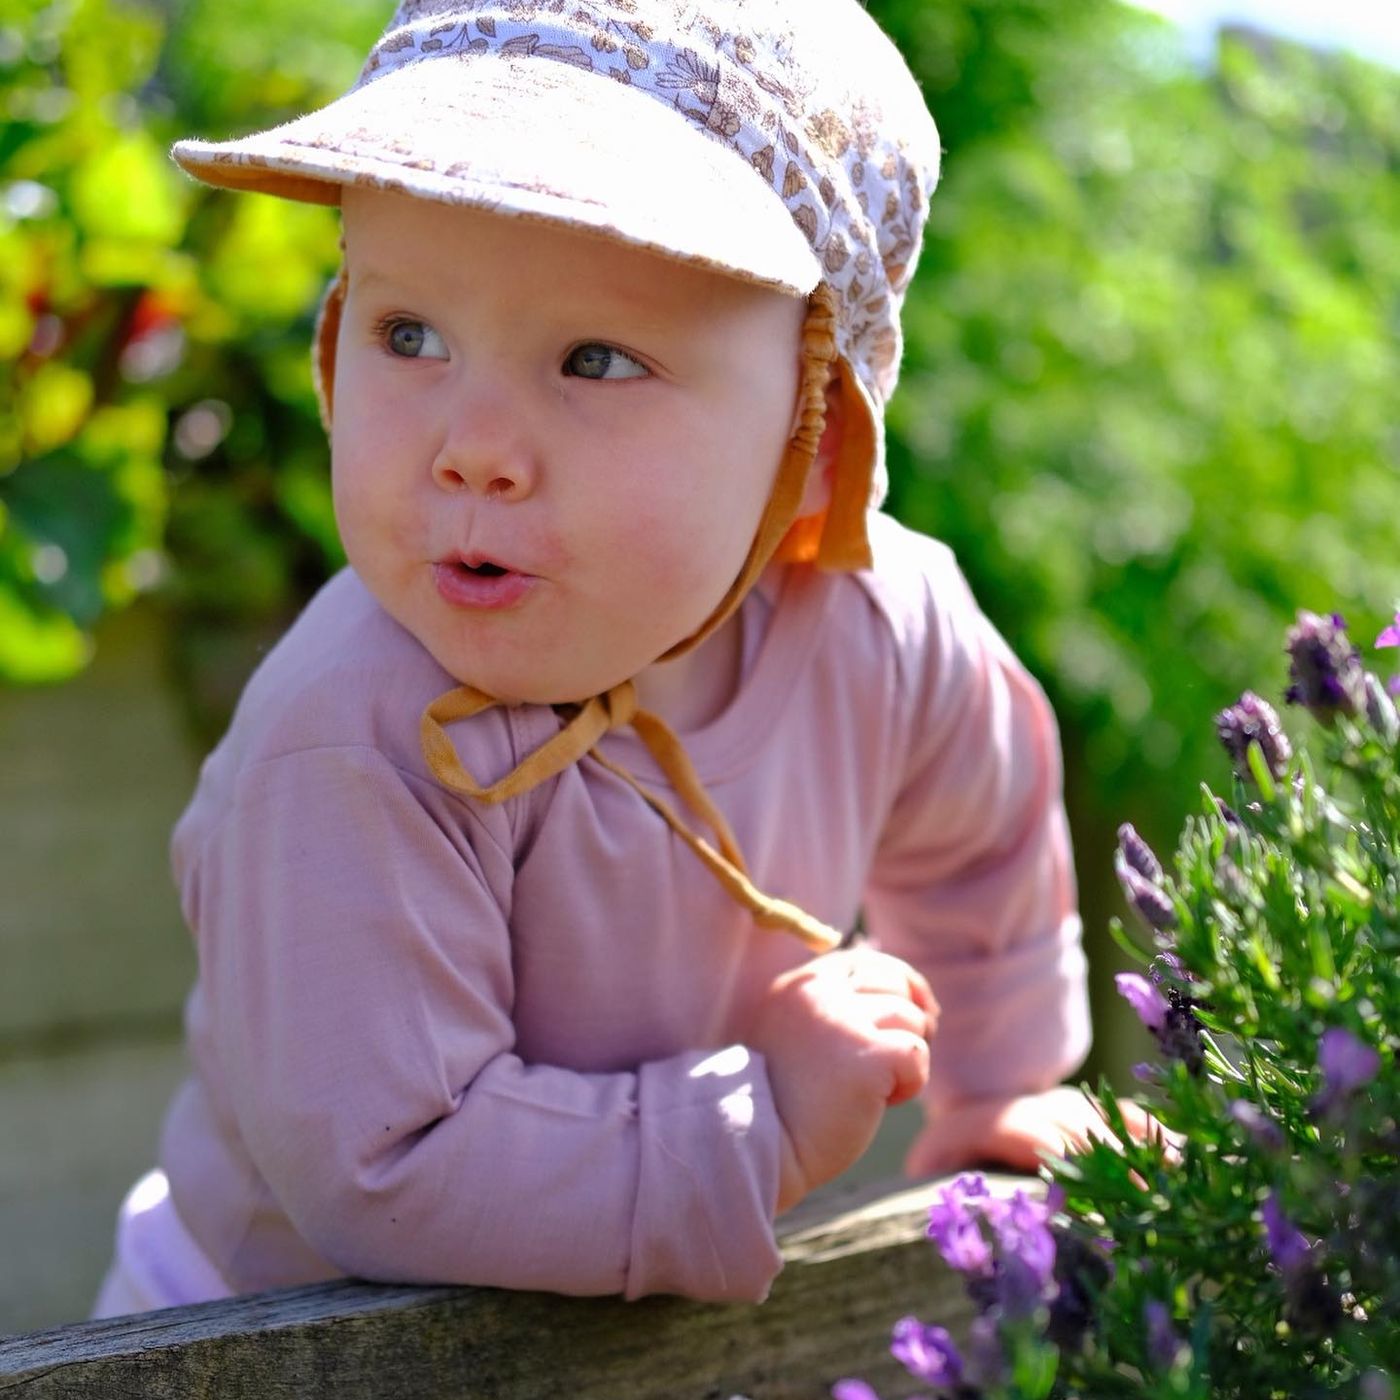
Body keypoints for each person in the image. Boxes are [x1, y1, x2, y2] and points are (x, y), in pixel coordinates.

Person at [93, 0, 1127, 1317]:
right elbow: (382, 1168)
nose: (472, 445)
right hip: (267, 1341)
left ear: (816, 432)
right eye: (408, 333)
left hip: (618, 1323)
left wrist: (1000, 1087)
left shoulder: (883, 625)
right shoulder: (351, 727)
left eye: (594, 360)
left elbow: (979, 839)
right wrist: (754, 1121)